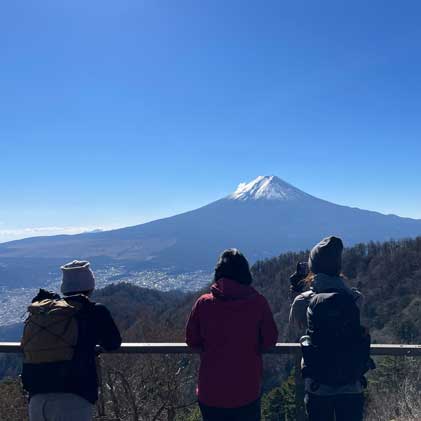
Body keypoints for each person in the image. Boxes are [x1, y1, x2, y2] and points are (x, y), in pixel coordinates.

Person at [22, 260, 122, 421]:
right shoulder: (94, 311)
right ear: (91, 286)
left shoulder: (45, 312)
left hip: (37, 399)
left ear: (65, 288)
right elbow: (113, 343)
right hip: (74, 398)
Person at [186, 249, 278, 421]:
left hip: (211, 392)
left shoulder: (204, 303)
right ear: (245, 273)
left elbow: (192, 340)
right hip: (246, 390)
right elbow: (270, 340)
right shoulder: (258, 303)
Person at [289, 236, 370, 421]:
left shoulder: (303, 301)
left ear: (313, 267)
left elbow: (297, 329)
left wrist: (296, 292)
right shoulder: (356, 299)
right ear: (338, 267)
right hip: (351, 382)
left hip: (318, 383)